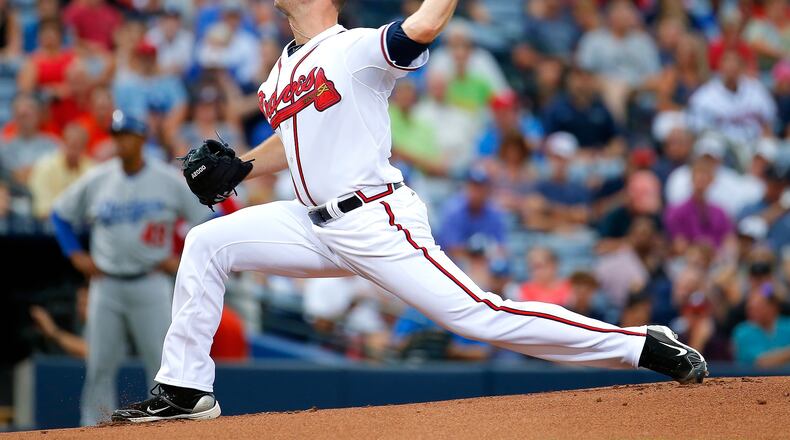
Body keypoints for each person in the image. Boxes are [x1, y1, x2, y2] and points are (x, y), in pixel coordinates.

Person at [113, 0, 707, 424]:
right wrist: (243, 166)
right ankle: (187, 389)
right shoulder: (280, 72)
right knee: (206, 244)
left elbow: (424, 23)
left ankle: (637, 344)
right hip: (310, 221)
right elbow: (295, 138)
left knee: (480, 316)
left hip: (375, 219)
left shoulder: (352, 48)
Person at [51, 111, 208, 425]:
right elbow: (60, 214)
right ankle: (94, 426)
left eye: (127, 135)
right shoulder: (99, 178)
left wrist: (183, 259)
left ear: (141, 139)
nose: (120, 141)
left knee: (164, 365)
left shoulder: (166, 179)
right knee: (99, 365)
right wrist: (74, 254)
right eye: (116, 135)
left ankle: (167, 428)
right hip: (106, 285)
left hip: (150, 283)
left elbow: (205, 221)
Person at [28, 122, 94, 219]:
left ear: (85, 148)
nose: (74, 151)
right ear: (62, 143)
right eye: (71, 145)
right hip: (48, 227)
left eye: (79, 147)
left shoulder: (92, 170)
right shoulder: (44, 167)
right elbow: (42, 209)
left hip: (84, 228)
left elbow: (95, 208)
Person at [732, 284, 790, 367]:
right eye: (750, 307)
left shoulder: (787, 325)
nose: (752, 311)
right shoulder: (743, 332)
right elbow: (761, 362)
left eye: (759, 307)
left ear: (773, 307)